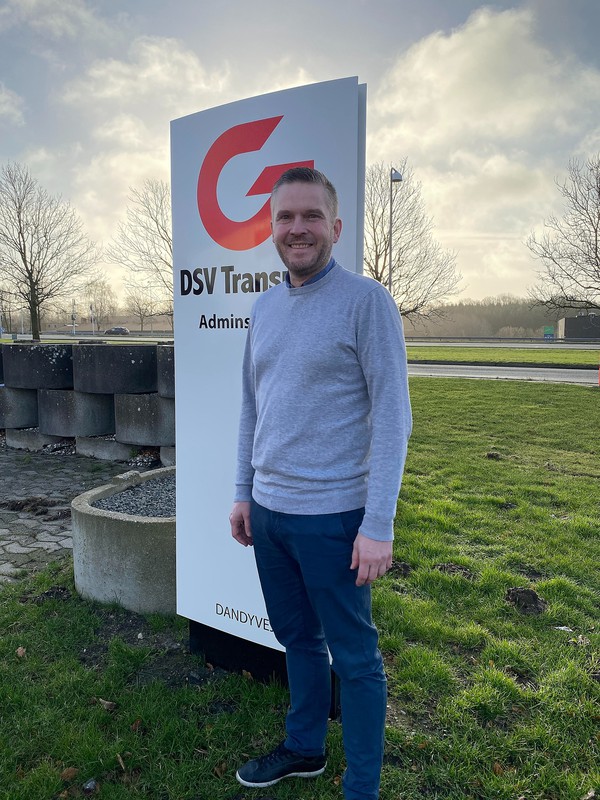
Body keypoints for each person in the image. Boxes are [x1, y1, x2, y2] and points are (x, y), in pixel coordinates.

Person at [229, 167, 412, 800]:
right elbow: (252, 406)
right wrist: (242, 492)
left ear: (334, 226)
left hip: (334, 518)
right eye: (286, 217)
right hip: (270, 514)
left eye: (311, 216)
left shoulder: (367, 302)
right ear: (271, 228)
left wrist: (378, 524)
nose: (297, 228)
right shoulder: (264, 307)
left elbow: (393, 416)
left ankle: (361, 788)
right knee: (297, 640)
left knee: (355, 659)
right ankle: (304, 748)